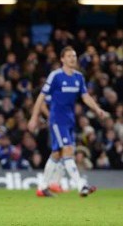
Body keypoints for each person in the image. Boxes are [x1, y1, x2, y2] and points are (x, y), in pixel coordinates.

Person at [27, 46, 108, 197]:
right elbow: (41, 97)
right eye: (69, 56)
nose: (73, 58)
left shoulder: (79, 77)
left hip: (70, 120)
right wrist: (34, 117)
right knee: (68, 150)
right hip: (57, 120)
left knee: (57, 154)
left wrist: (97, 109)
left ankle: (42, 187)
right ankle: (81, 185)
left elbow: (85, 97)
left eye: (74, 56)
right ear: (62, 59)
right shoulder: (55, 76)